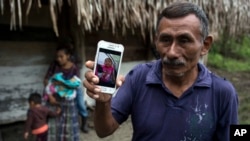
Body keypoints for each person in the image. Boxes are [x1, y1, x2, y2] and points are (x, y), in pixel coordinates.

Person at [83, 2, 238, 141]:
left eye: (184, 40)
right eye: (165, 40)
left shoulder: (223, 93)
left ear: (205, 45)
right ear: (156, 41)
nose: (171, 52)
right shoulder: (139, 77)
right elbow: (103, 131)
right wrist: (103, 102)